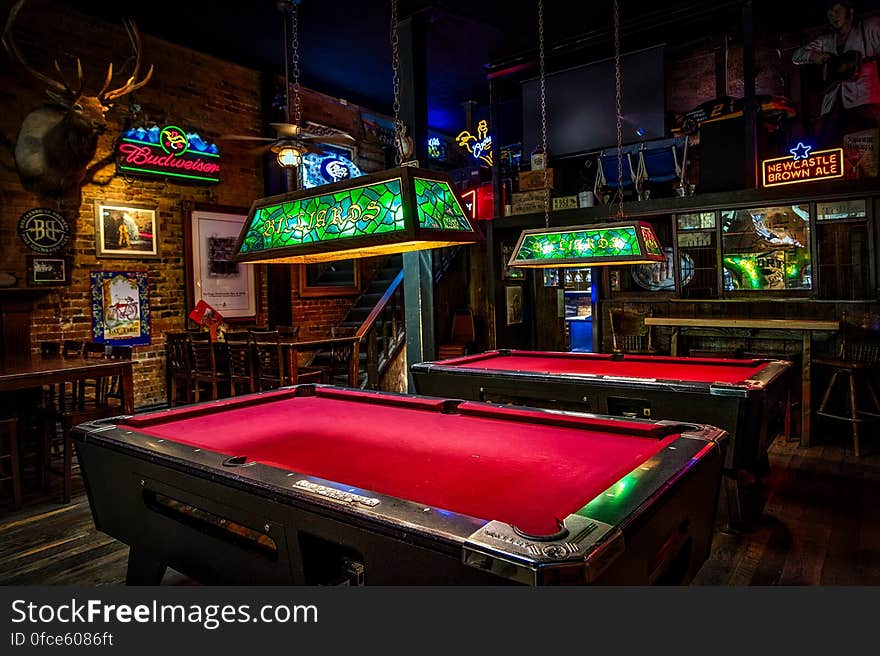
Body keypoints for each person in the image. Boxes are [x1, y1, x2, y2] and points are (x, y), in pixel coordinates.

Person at [792, 1, 880, 147]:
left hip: (864, 101)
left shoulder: (869, 28)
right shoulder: (826, 41)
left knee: (868, 146)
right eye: (830, 13)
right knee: (823, 145)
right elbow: (796, 56)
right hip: (831, 105)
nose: (833, 16)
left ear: (850, 11)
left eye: (837, 10)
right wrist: (815, 56)